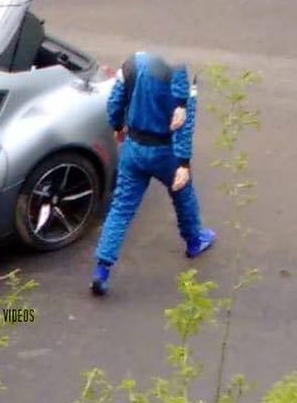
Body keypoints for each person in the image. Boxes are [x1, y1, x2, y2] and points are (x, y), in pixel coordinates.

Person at [91, 51, 217, 296]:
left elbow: (115, 102)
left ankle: (102, 270)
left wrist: (118, 127)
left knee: (121, 208)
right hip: (165, 152)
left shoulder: (131, 64)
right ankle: (194, 241)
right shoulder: (177, 71)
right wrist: (183, 163)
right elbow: (184, 124)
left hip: (134, 148)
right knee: (183, 195)